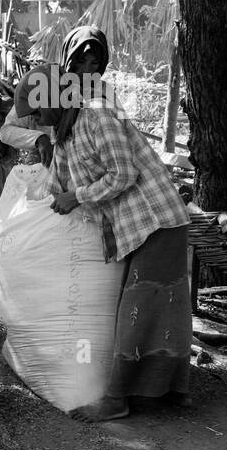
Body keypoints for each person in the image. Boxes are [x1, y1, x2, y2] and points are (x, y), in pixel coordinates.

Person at [34, 25, 192, 421]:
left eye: (95, 62)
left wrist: (77, 197)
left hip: (157, 220)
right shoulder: (66, 129)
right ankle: (165, 391)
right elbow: (57, 181)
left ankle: (117, 400)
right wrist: (31, 209)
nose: (38, 118)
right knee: (154, 310)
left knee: (137, 311)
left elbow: (123, 175)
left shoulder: (99, 114)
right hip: (133, 227)